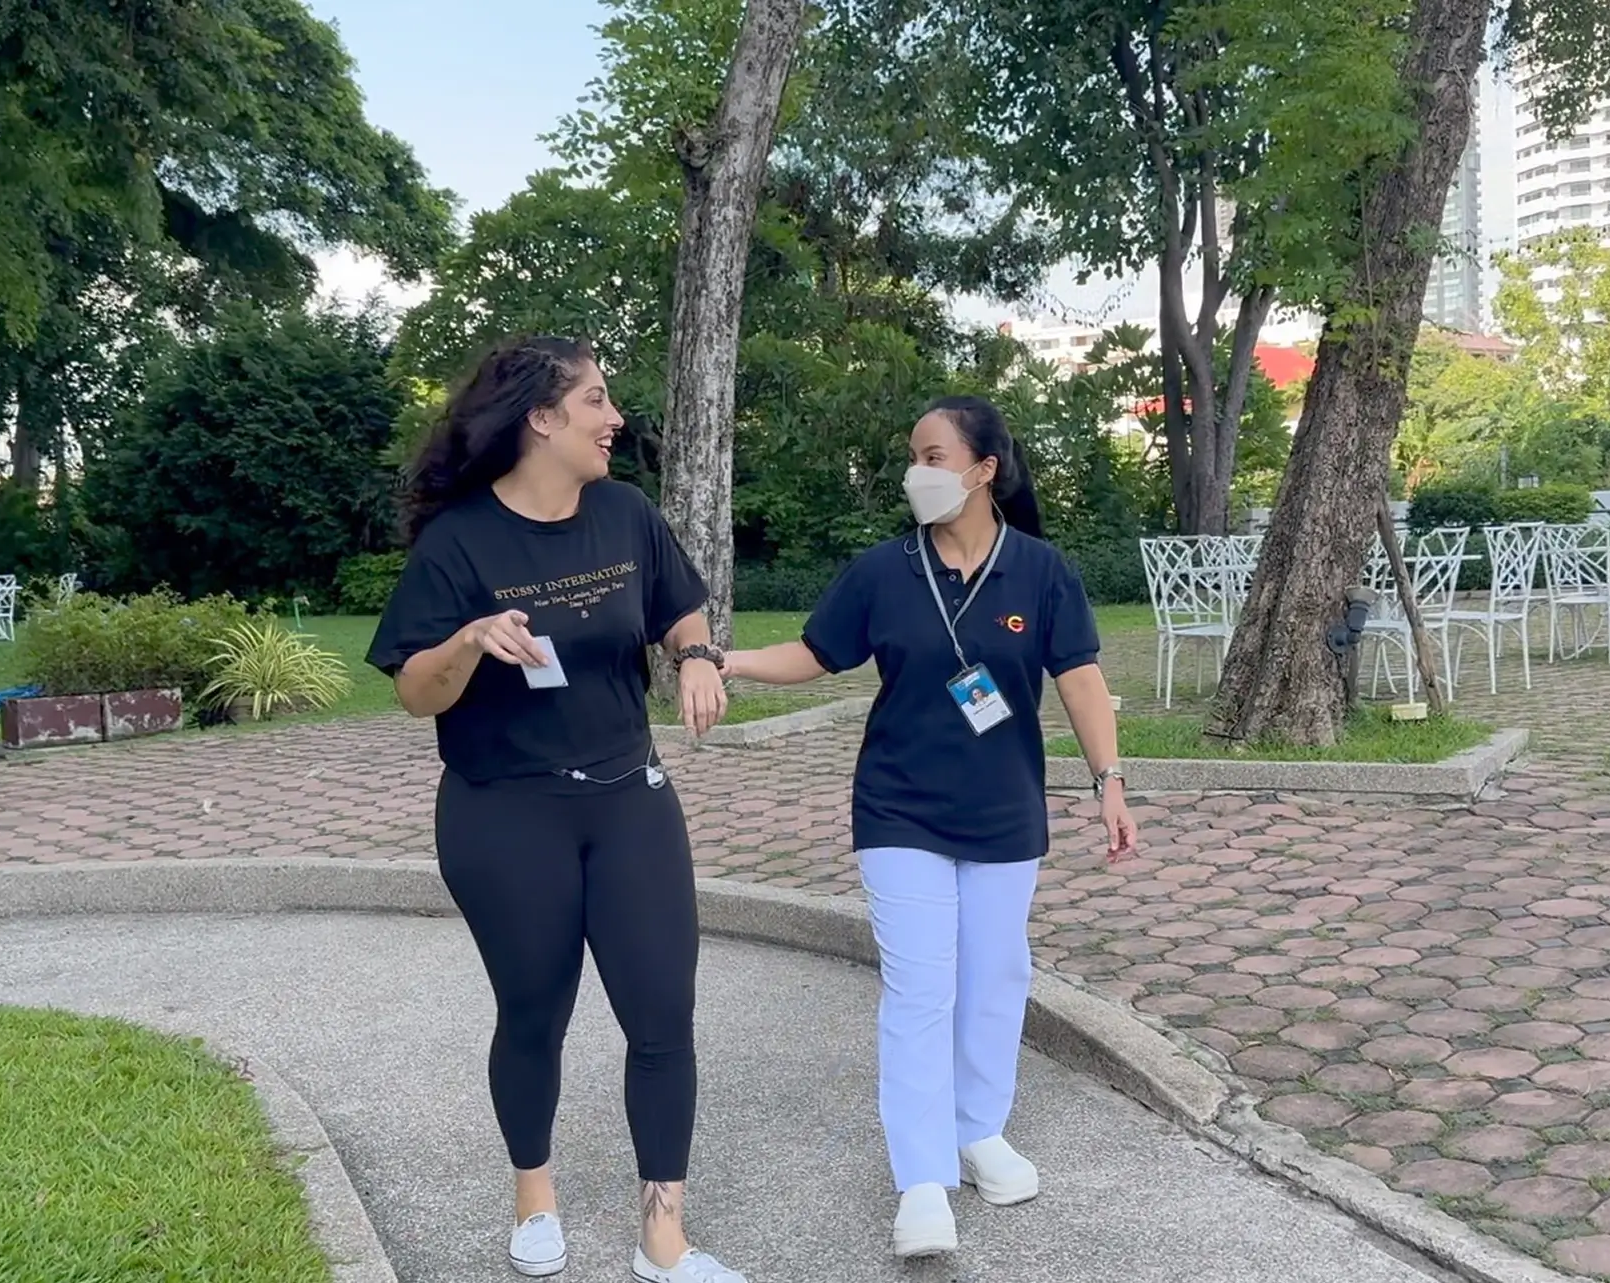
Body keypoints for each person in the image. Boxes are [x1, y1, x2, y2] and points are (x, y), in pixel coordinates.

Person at [721, 395, 1139, 1259]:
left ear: (984, 469)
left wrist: (1110, 782)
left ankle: (979, 1128)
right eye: (914, 455)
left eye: (935, 455)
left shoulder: (1041, 571)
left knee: (995, 976)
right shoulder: (883, 571)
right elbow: (815, 653)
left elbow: (1081, 678)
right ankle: (921, 1180)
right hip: (898, 806)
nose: (919, 471)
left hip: (1004, 809)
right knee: (920, 989)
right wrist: (724, 659)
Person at [367, 337, 747, 1283]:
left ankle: (663, 1233)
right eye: (595, 400)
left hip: (628, 799)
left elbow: (682, 610)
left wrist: (695, 657)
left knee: (662, 1013)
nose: (614, 419)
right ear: (542, 418)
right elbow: (417, 692)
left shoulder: (624, 513)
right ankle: (534, 1192)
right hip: (505, 813)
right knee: (534, 1011)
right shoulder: (461, 540)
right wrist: (466, 640)